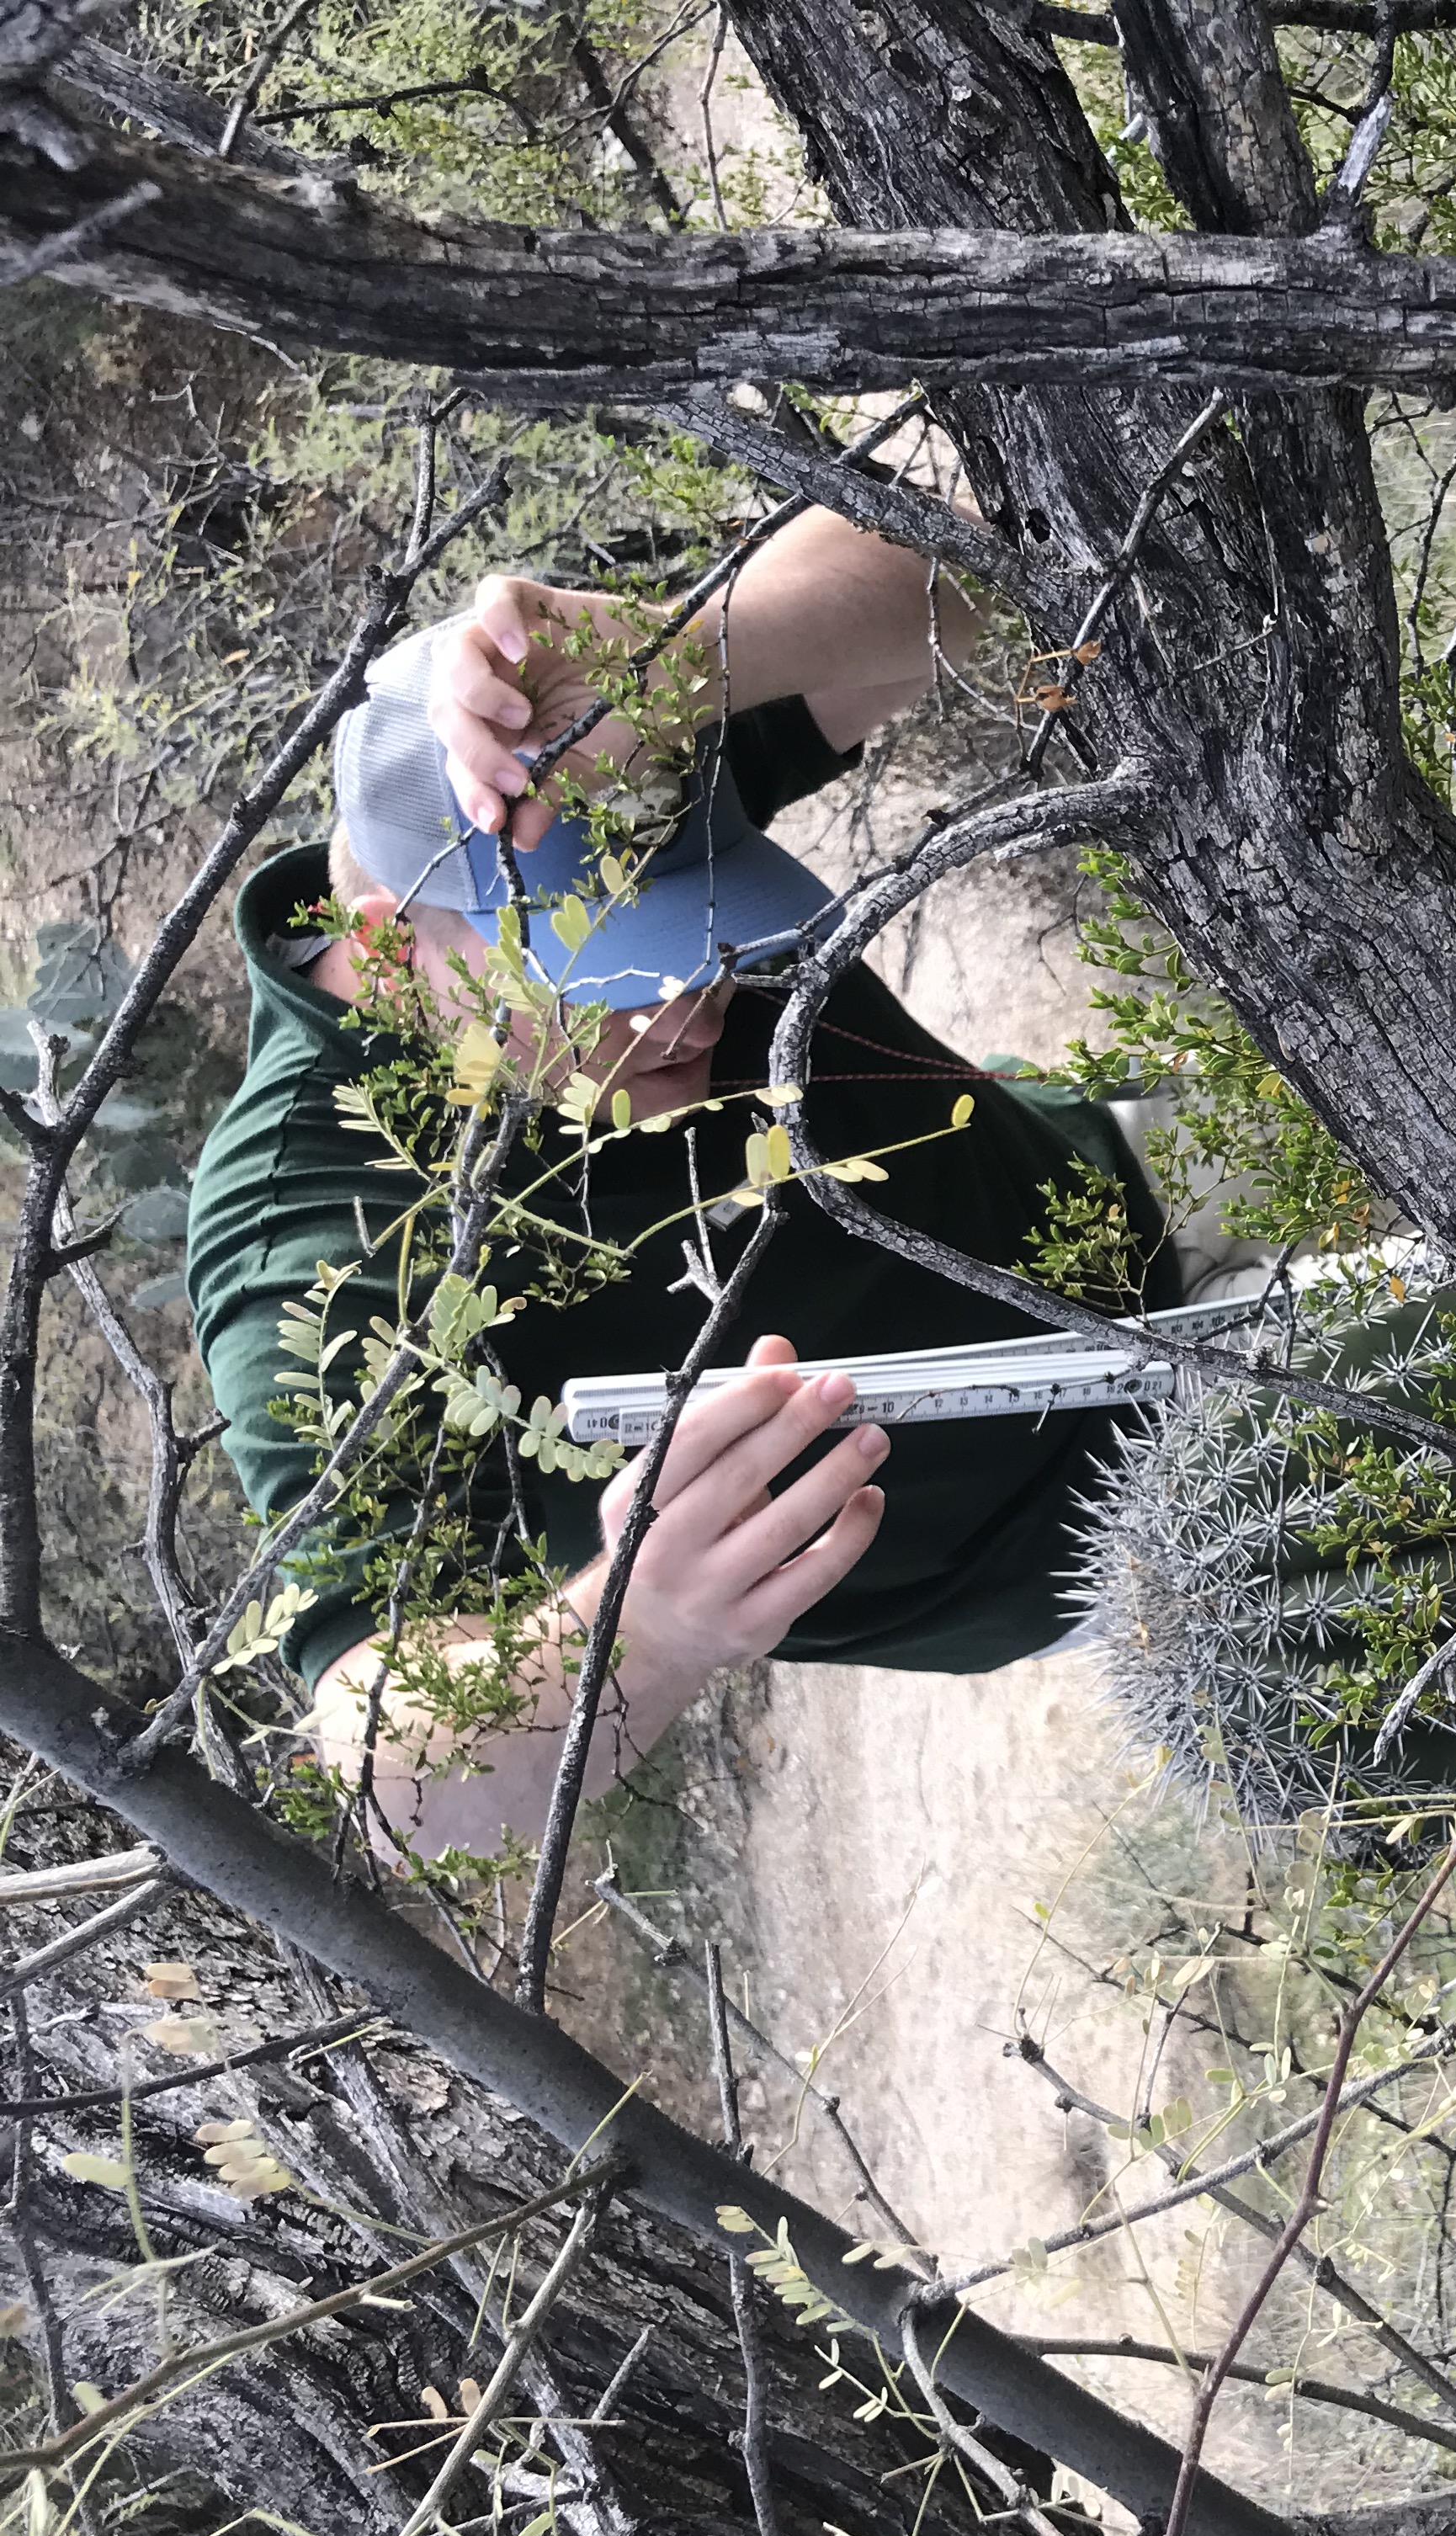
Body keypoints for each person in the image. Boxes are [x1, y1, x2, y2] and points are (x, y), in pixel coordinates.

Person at [184, 508, 1178, 1861]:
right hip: (1105, 1523)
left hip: (1129, 1182)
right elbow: (392, 1765)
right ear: (389, 946)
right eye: (611, 973)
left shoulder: (594, 775)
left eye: (705, 912)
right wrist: (646, 1624)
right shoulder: (308, 1230)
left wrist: (686, 656)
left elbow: (979, 568)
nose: (695, 991)